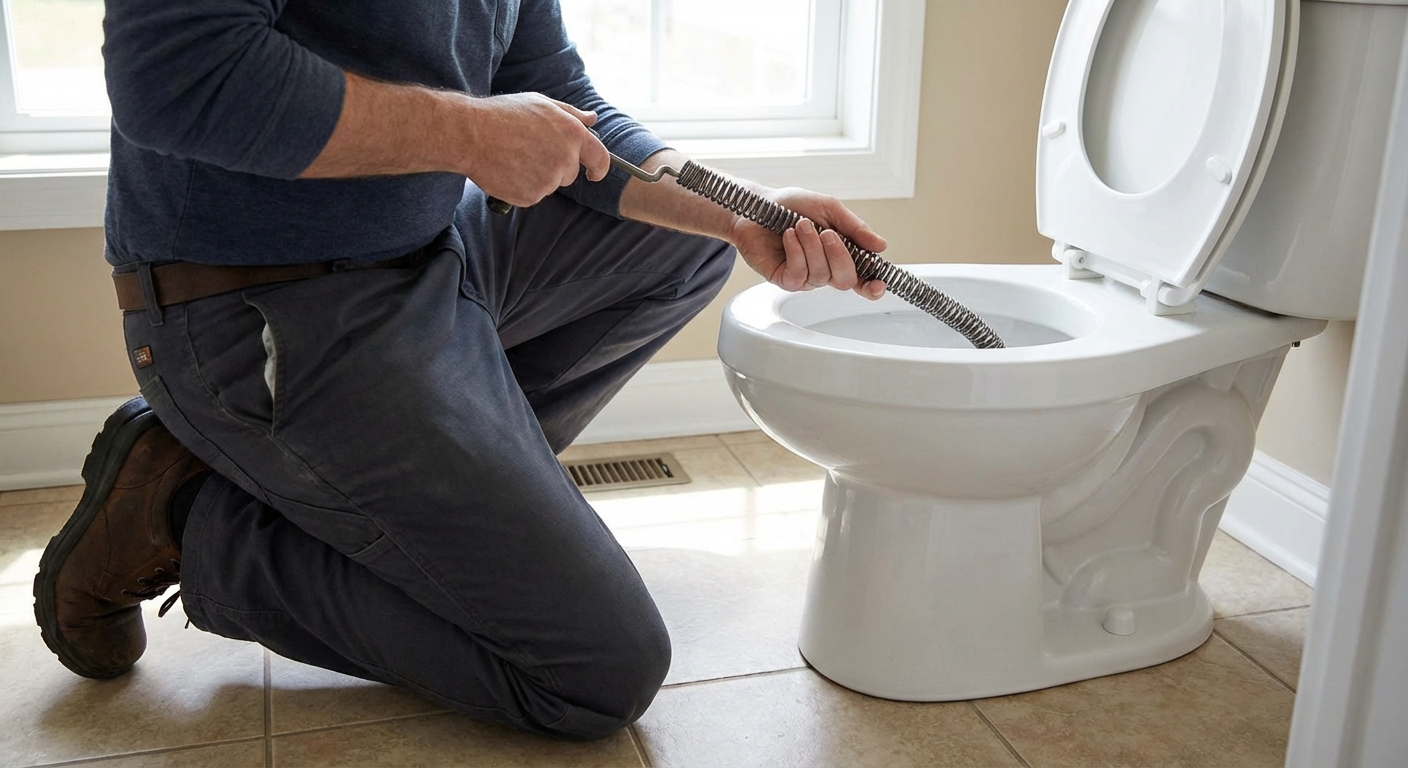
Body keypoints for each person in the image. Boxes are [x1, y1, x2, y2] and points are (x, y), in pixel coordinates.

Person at [33, 0, 888, 740]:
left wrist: (743, 214)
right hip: (263, 305)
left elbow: (569, 104)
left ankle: (412, 508)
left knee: (686, 238)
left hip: (432, 256)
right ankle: (193, 522)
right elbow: (178, 73)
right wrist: (474, 132)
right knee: (596, 672)